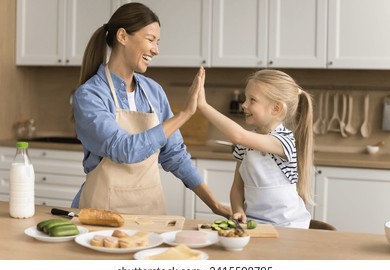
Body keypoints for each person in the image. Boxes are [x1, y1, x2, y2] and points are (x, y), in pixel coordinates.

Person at [70, 2, 231, 218]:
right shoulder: (90, 95)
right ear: (122, 36)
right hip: (101, 214)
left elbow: (174, 155)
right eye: (150, 40)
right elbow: (124, 149)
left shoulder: (153, 91)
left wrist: (215, 205)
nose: (156, 49)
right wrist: (184, 115)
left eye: (158, 42)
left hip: (150, 214)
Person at [195, 68, 314, 228]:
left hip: (288, 226)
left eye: (252, 100)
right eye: (245, 98)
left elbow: (239, 135)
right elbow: (237, 188)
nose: (244, 105)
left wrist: (203, 106)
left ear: (276, 108)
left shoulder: (284, 140)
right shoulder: (244, 145)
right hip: (254, 224)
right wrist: (238, 210)